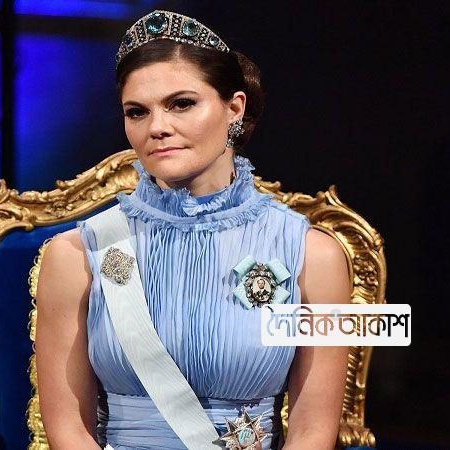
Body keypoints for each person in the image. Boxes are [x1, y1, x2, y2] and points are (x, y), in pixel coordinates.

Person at [35, 10, 350, 450]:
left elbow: (314, 431)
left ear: (234, 108)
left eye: (181, 104)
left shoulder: (316, 257)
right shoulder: (75, 256)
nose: (157, 128)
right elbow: (68, 430)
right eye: (136, 112)